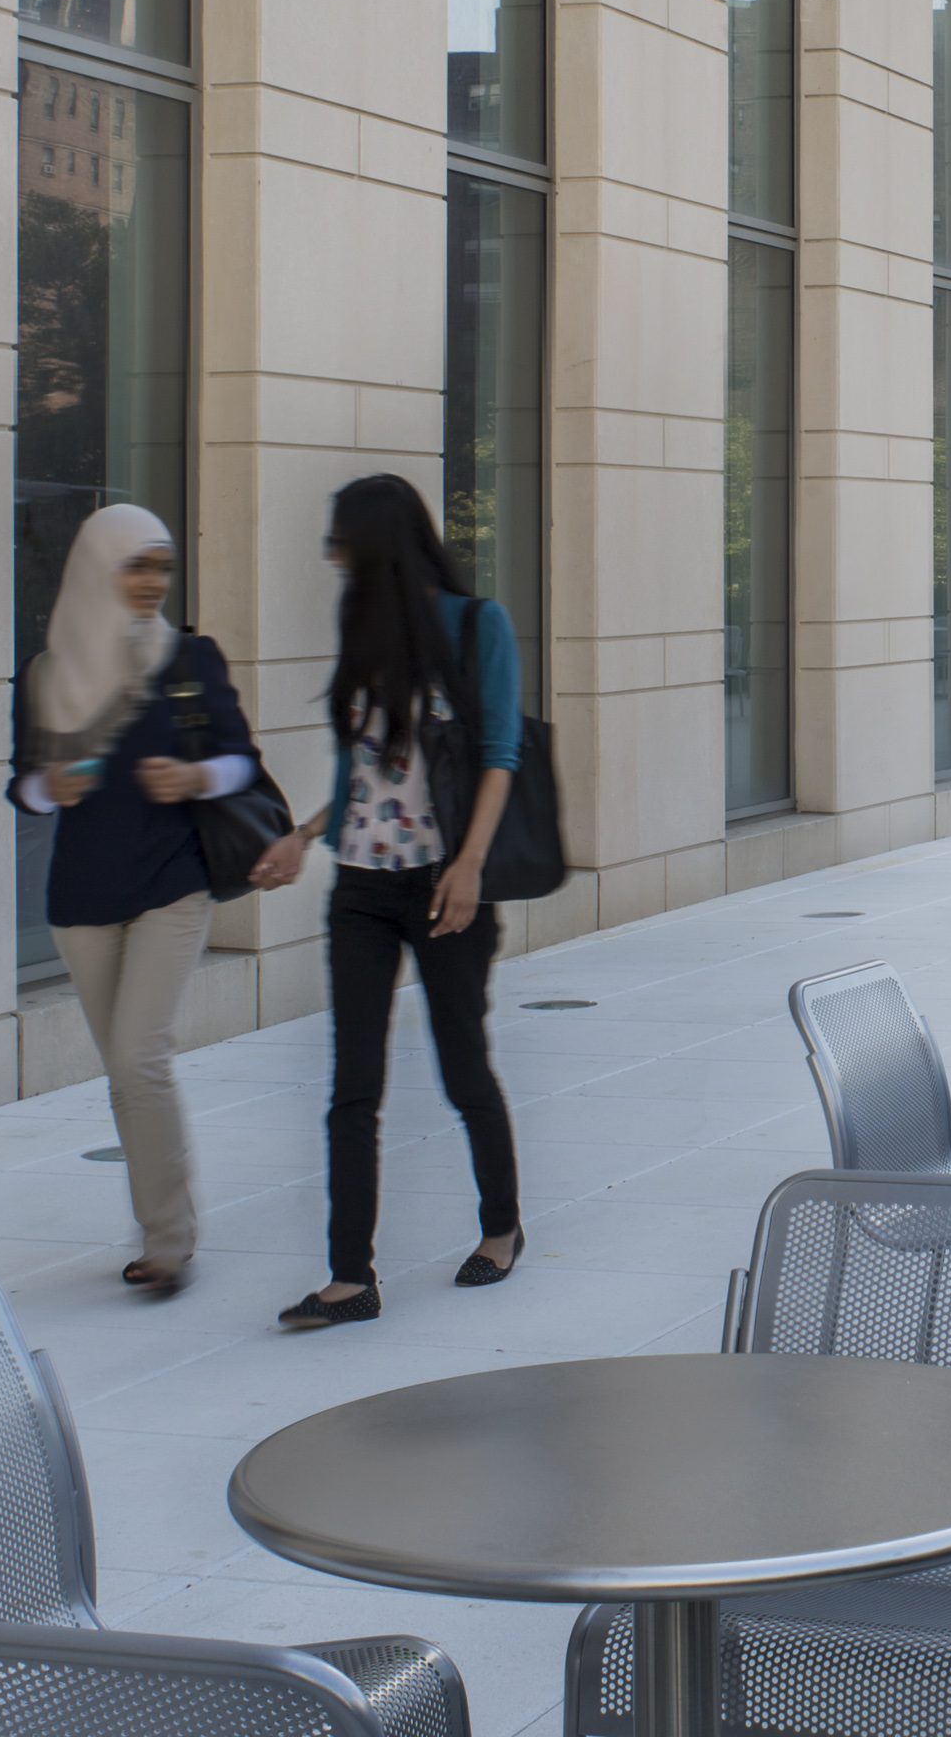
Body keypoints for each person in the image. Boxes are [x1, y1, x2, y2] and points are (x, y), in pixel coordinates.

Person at [253, 474, 525, 1328]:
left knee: (461, 1065)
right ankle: (350, 1277)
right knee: (352, 1086)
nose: (332, 557)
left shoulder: (477, 625)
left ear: (380, 543)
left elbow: (497, 752)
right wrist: (303, 833)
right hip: (363, 888)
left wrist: (471, 863)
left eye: (342, 541)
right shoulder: (361, 629)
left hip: (445, 884)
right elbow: (367, 774)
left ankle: (502, 1227)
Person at [11, 504, 256, 1297]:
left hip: (170, 884)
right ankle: (165, 1223)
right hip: (83, 897)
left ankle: (168, 1242)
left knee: (139, 1059)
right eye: (136, 565)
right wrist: (53, 785)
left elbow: (242, 763)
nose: (152, 582)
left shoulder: (190, 659)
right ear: (97, 569)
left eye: (162, 566)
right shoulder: (50, 674)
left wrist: (194, 778)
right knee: (124, 1072)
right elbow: (22, 786)